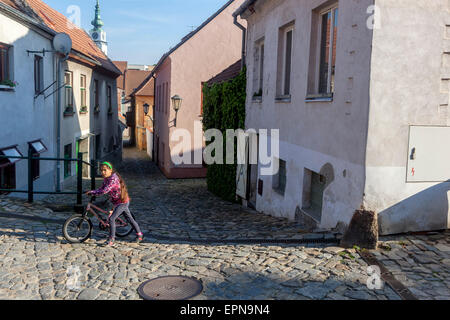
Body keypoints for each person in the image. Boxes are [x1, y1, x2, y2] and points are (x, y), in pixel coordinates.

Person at [86, 162, 144, 247]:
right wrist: (93, 191)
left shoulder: (113, 179)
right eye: (101, 170)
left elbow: (104, 191)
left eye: (105, 170)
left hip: (122, 202)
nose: (103, 172)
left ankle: (111, 239)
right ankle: (140, 234)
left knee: (112, 219)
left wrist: (92, 192)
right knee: (129, 218)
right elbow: (101, 188)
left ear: (110, 170)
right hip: (116, 201)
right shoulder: (106, 178)